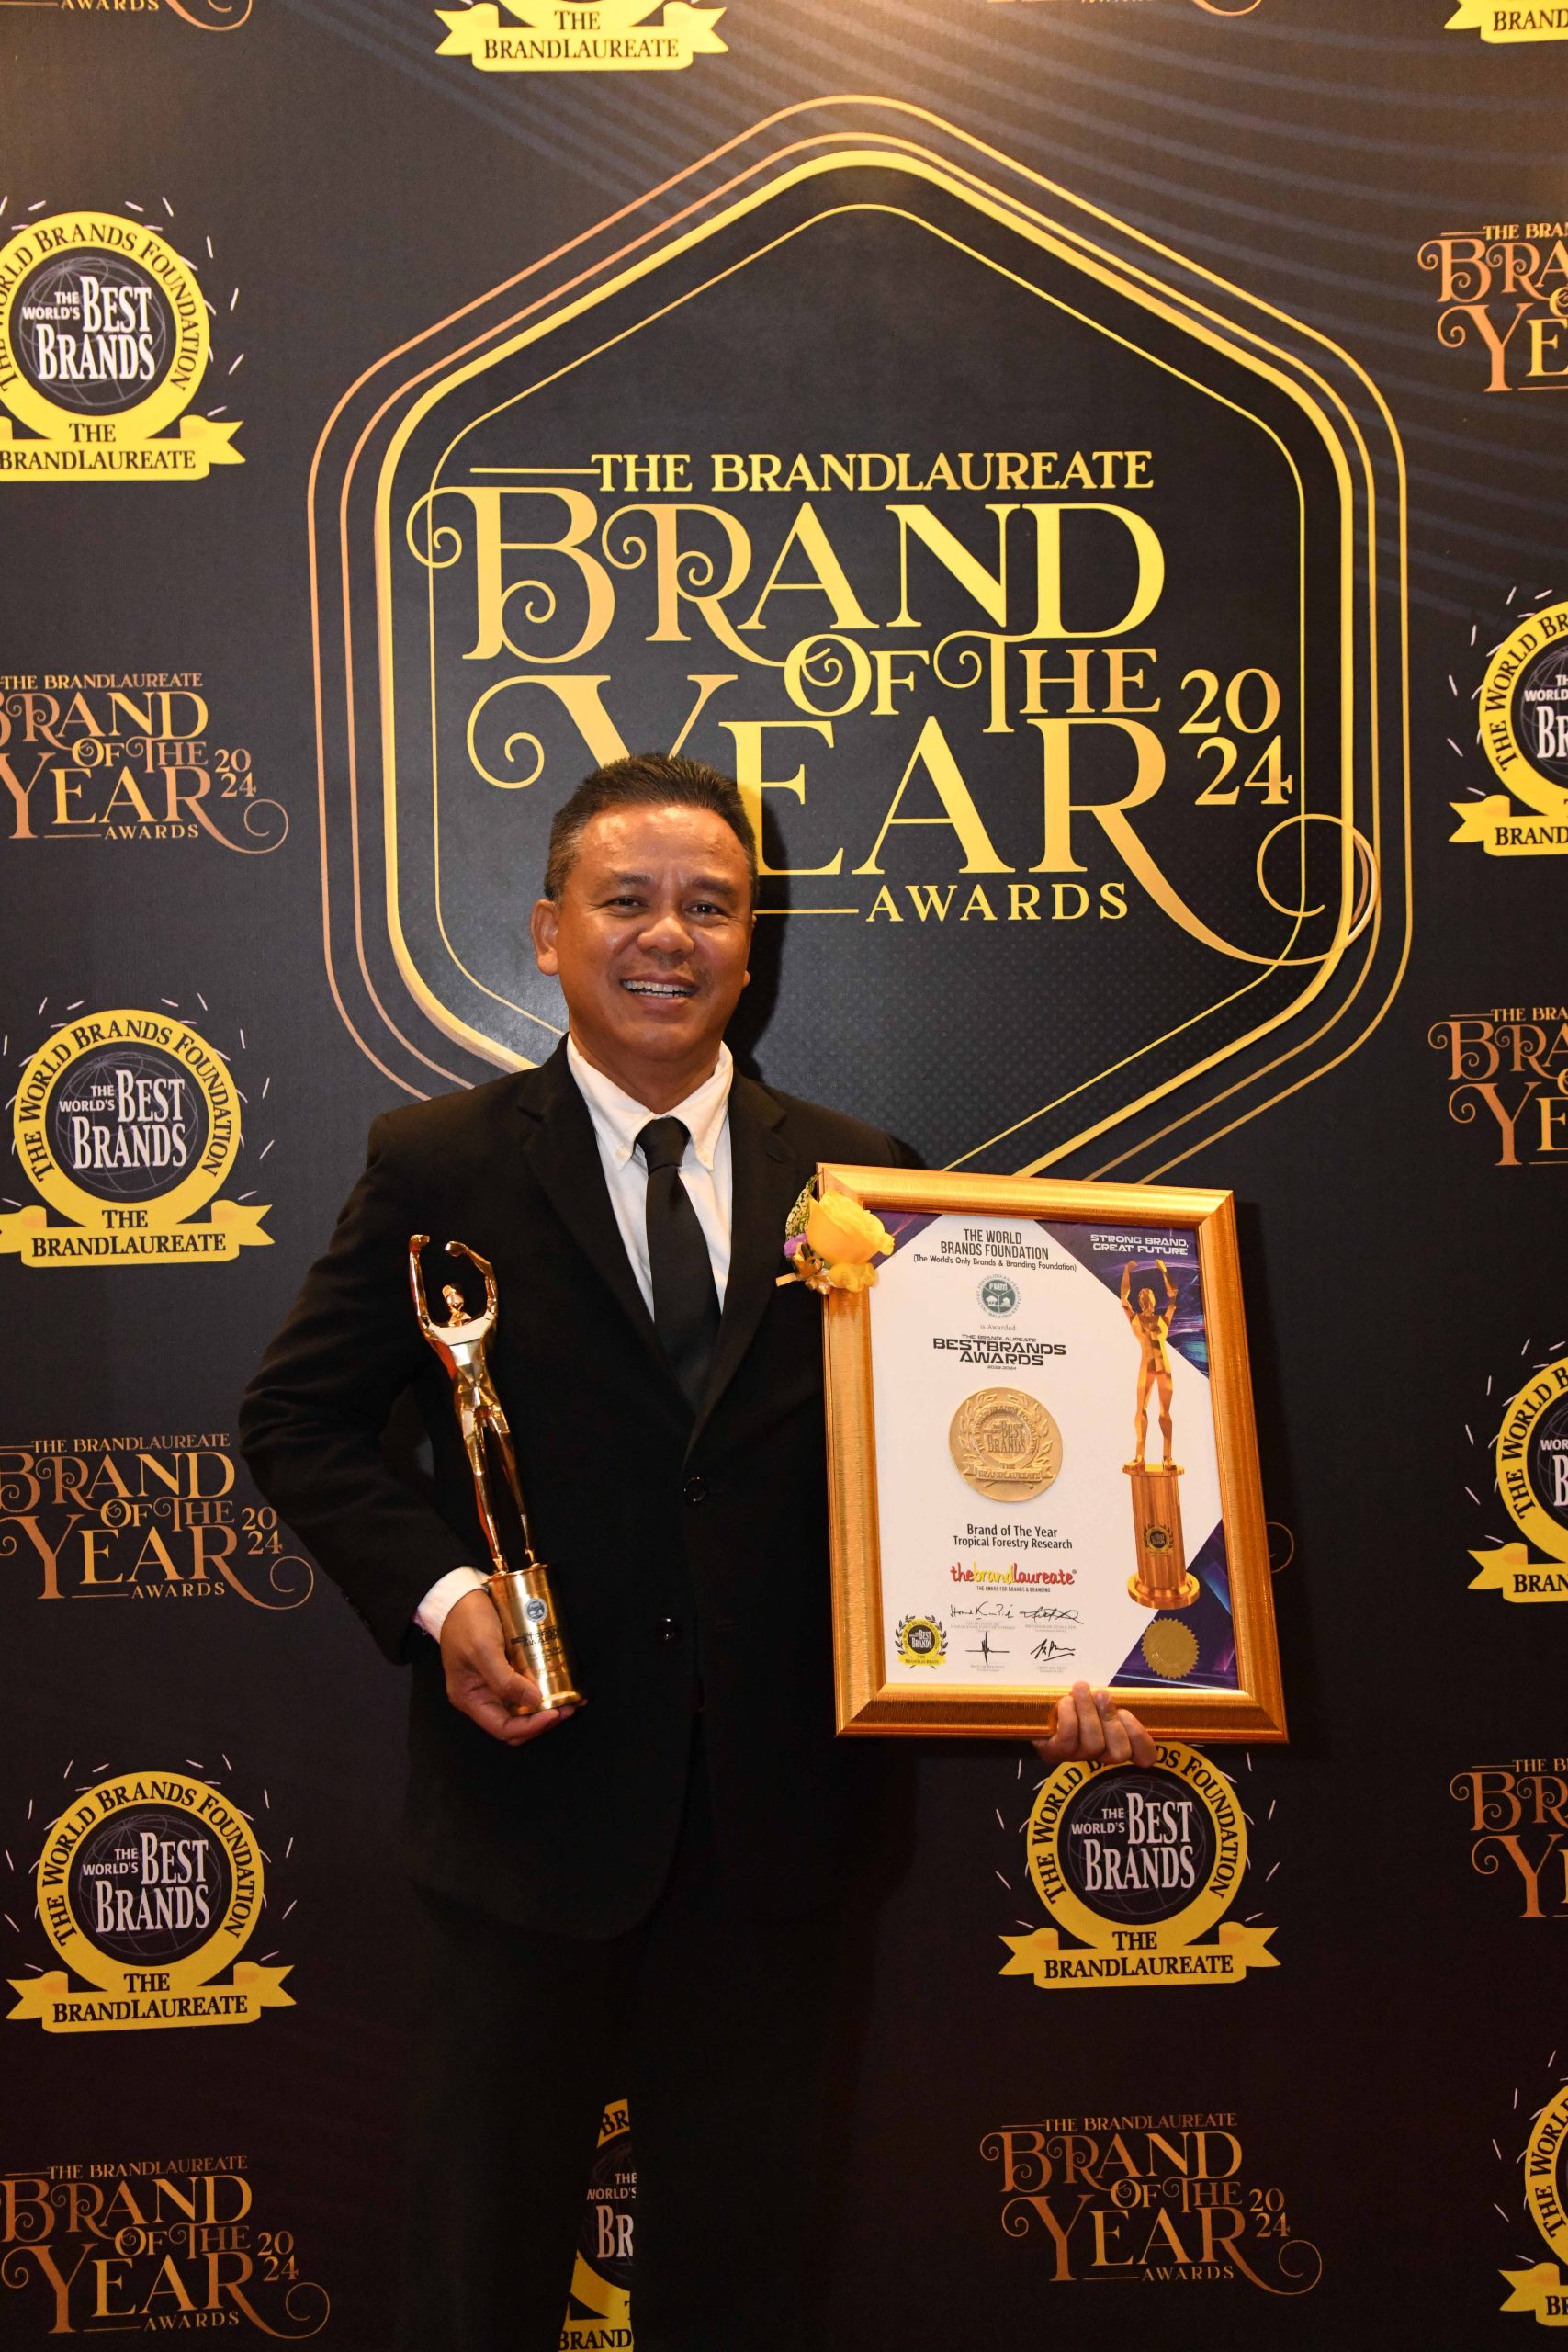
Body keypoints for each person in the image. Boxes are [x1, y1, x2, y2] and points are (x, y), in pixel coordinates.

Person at [238, 753, 1154, 2352]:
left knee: (741, 2277)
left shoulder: (877, 1181)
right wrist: (447, 1599)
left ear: (754, 939)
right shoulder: (437, 1162)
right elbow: (296, 1420)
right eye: (629, 899)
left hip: (777, 1829)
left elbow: (975, 1483)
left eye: (710, 905)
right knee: (479, 2276)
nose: (670, 934)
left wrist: (1063, 1651)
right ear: (545, 930)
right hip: (524, 1822)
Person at [1122, 1255, 1179, 1467]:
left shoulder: (1163, 1319)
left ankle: (1167, 1456)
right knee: (1141, 1410)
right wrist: (1127, 1271)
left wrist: (1164, 1270)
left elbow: (1173, 1295)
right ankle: (1140, 1456)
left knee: (1165, 1412)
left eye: (1150, 1298)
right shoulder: (1135, 1319)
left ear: (1154, 1302)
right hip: (1146, 1366)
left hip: (1164, 1366)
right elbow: (1123, 1299)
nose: (1147, 1301)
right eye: (1144, 1298)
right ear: (1141, 1302)